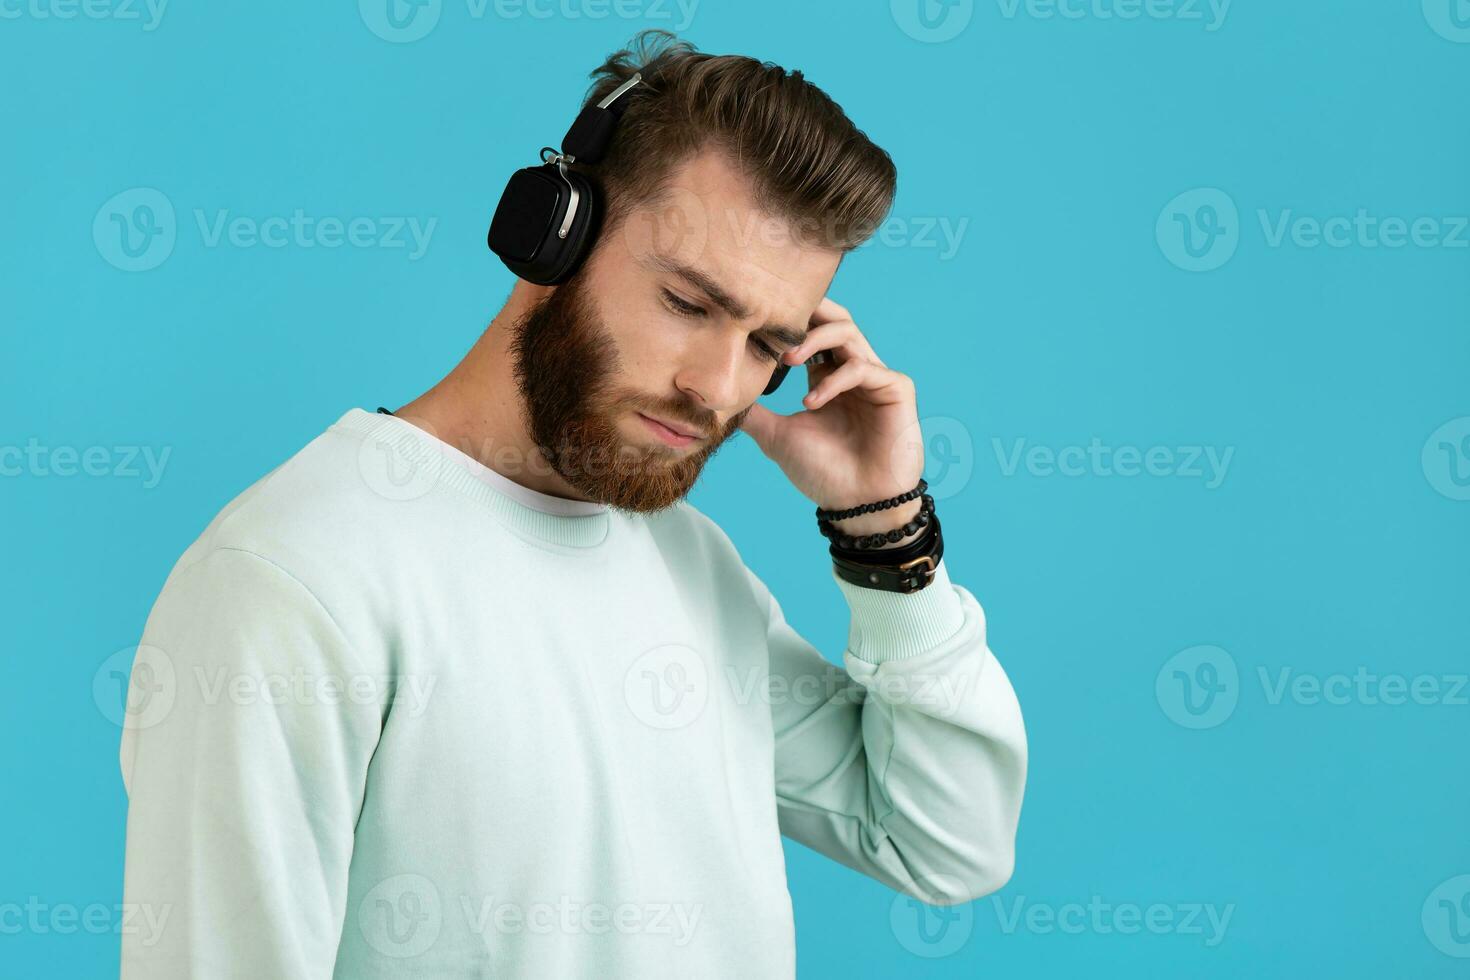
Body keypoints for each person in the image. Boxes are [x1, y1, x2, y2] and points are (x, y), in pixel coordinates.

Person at [117, 29, 1027, 978]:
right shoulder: (293, 579)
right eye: (688, 302)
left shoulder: (691, 564)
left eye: (768, 343)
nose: (719, 386)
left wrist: (885, 533)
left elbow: (942, 841)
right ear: (554, 234)